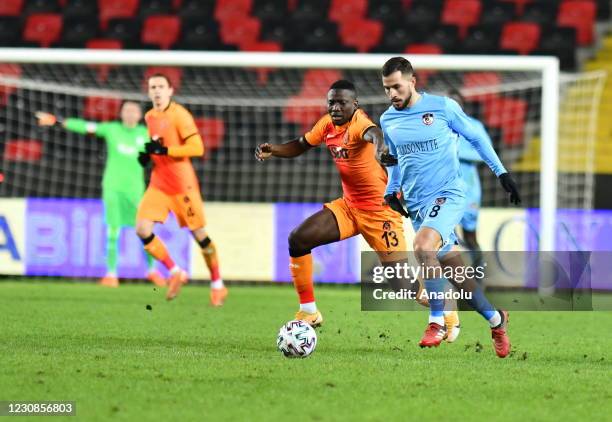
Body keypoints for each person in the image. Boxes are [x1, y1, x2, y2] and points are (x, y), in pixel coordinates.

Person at [255, 79, 460, 339]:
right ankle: (308, 311)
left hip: (379, 213)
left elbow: (374, 133)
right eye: (332, 102)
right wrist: (274, 149)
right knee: (298, 239)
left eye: (342, 102)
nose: (336, 107)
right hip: (349, 207)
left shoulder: (360, 124)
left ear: (355, 104)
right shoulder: (327, 125)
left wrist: (381, 147)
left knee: (406, 288)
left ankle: (448, 308)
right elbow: (301, 144)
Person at [380, 57, 521, 358]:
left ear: (412, 81)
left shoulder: (442, 107)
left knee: (422, 246)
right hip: (417, 205)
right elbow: (392, 159)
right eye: (387, 89)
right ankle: (497, 321)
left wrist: (502, 173)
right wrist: (391, 189)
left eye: (397, 87)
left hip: (449, 194)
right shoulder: (388, 120)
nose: (392, 94)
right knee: (463, 282)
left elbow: (476, 137)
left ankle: (436, 322)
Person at [36, 102, 166, 288]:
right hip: (112, 187)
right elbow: (85, 127)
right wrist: (57, 121)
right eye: (126, 110)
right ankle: (111, 274)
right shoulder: (111, 129)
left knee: (145, 231)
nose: (130, 114)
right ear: (121, 113)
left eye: (134, 111)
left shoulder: (145, 134)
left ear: (140, 115)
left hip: (135, 190)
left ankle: (152, 271)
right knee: (113, 231)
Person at [136, 73, 227, 305]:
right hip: (158, 183)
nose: (156, 91)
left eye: (161, 87)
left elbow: (197, 148)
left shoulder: (180, 115)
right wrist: (148, 155)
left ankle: (217, 283)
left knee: (199, 235)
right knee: (142, 229)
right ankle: (175, 271)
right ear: (148, 91)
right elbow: (158, 147)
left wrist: (165, 152)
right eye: (152, 87)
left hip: (182, 186)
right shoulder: (149, 116)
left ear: (170, 91)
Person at [447, 88, 488, 268]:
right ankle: (456, 281)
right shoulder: (437, 127)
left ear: (462, 106)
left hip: (469, 190)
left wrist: (457, 152)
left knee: (470, 237)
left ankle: (478, 277)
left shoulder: (474, 126)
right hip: (446, 189)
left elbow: (485, 153)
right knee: (448, 237)